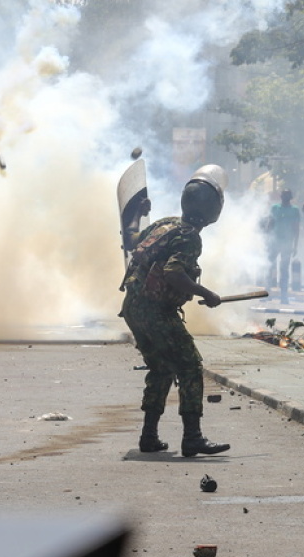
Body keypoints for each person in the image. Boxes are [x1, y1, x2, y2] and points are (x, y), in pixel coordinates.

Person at [121, 166, 231, 457]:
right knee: (190, 366)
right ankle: (192, 438)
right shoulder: (189, 237)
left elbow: (130, 240)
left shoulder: (164, 224)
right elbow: (173, 273)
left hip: (133, 308)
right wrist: (206, 293)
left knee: (161, 368)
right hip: (156, 312)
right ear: (213, 209)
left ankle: (149, 436)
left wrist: (135, 213)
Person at [265, 189, 300, 303]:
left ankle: (284, 296)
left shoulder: (295, 210)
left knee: (284, 269)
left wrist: (295, 245)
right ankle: (267, 294)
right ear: (281, 196)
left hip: (287, 242)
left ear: (290, 197)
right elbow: (270, 224)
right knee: (269, 267)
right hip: (274, 241)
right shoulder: (275, 208)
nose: (284, 197)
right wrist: (266, 240)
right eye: (283, 195)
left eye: (287, 195)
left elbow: (296, 229)